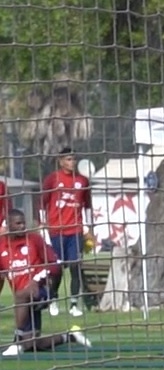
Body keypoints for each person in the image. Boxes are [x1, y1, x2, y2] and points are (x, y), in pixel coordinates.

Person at [1, 209, 91, 355]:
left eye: (23, 222)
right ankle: (69, 336)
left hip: (42, 291)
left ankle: (17, 340)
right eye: (18, 223)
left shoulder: (34, 240)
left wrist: (37, 280)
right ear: (8, 225)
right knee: (31, 345)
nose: (22, 226)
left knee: (21, 296)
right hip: (23, 304)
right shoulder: (1, 246)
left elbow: (55, 264)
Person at [40, 146, 93, 317]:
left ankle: (74, 304)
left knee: (75, 266)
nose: (72, 162)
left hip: (75, 230)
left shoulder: (83, 181)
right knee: (57, 268)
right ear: (61, 161)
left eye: (74, 159)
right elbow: (42, 202)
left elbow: (87, 205)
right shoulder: (52, 179)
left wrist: (88, 227)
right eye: (69, 159)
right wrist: (43, 225)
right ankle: (53, 299)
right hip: (56, 230)